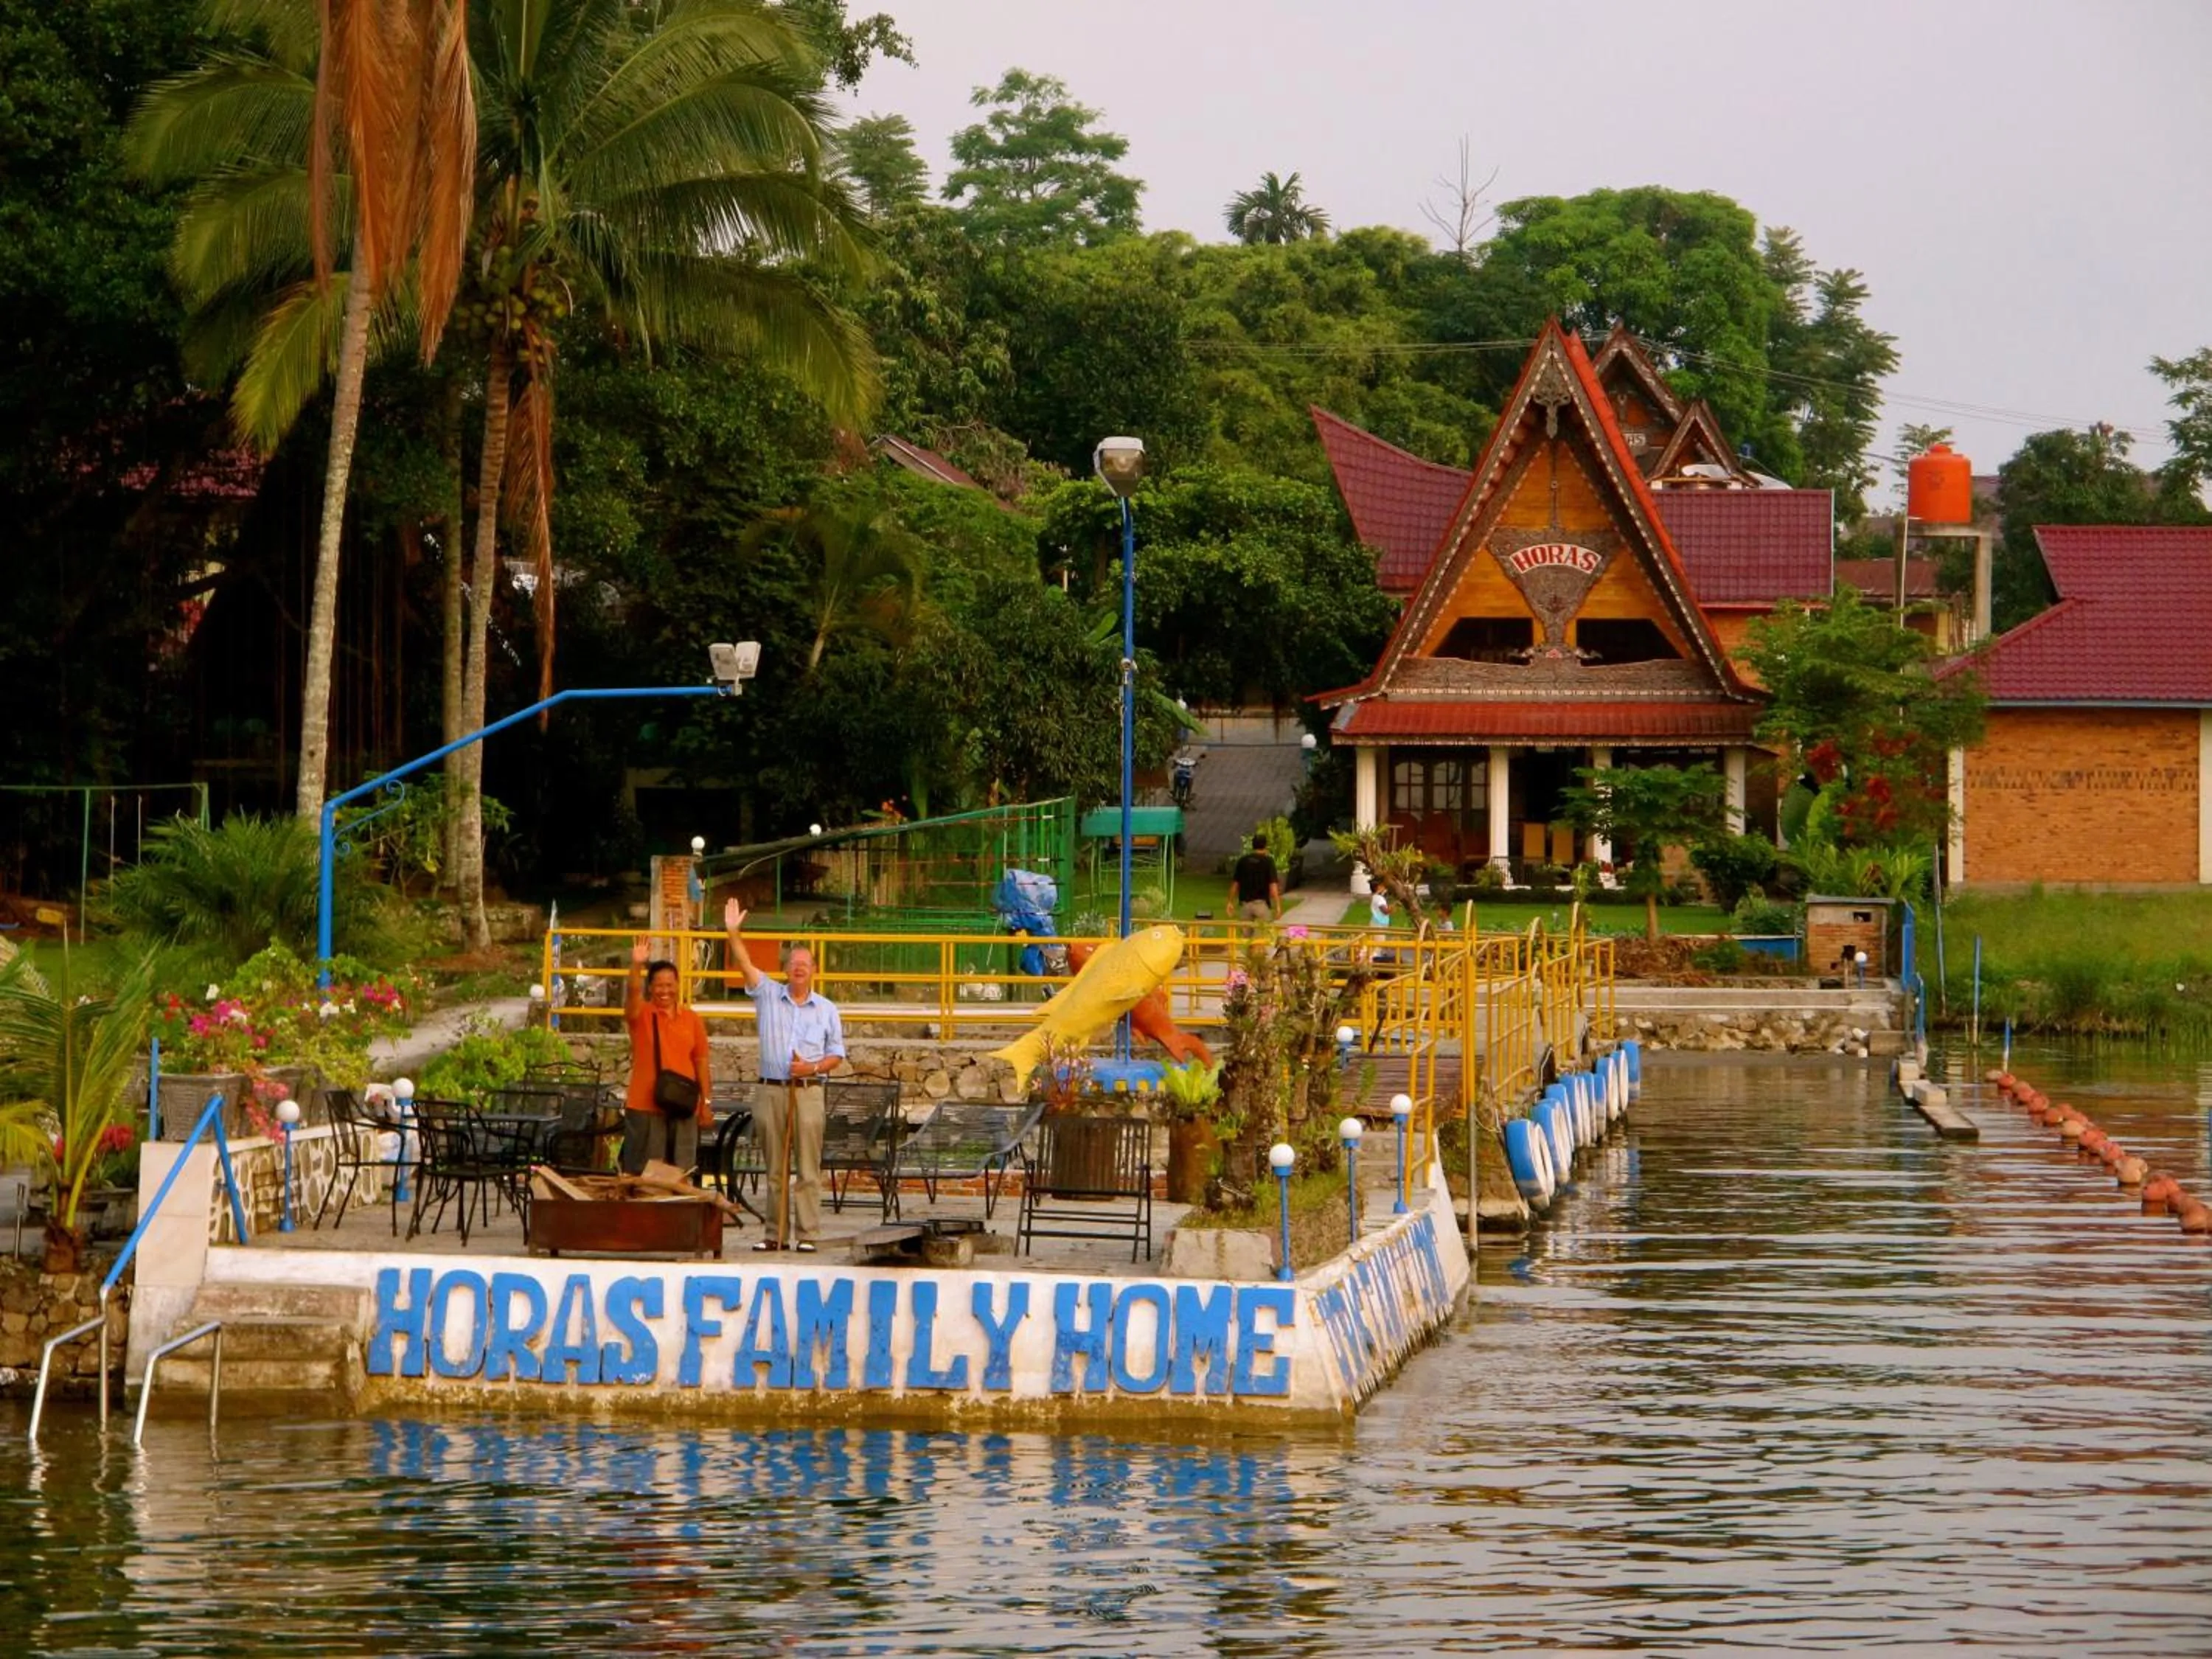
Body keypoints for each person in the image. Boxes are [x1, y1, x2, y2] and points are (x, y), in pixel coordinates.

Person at [724, 898, 844, 1252]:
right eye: (793, 964)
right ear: (786, 969)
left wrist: (812, 1067)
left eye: (805, 964)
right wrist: (733, 933)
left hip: (807, 1091)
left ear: (814, 970)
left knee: (808, 1167)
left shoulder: (826, 1009)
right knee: (774, 1167)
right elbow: (745, 964)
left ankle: (807, 1235)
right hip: (770, 1090)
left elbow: (837, 1054)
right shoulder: (767, 995)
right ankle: (774, 1234)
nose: (799, 969)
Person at [622, 942, 712, 1176]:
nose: (665, 991)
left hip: (683, 1107)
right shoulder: (641, 1014)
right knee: (646, 1174)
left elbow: (701, 1061)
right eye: (659, 985)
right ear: (650, 987)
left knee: (681, 1172)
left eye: (670, 985)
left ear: (678, 985)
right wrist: (636, 964)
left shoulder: (692, 1019)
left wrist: (706, 1103)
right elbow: (632, 993)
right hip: (646, 1106)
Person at [1229, 832, 1281, 924]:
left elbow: (1235, 884)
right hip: (1261, 904)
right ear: (1265, 846)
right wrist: (1278, 905)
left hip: (1246, 905)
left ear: (1252, 845)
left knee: (1245, 937)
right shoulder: (1268, 862)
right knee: (1264, 935)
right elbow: (1273, 885)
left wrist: (1230, 902)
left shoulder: (1243, 861)